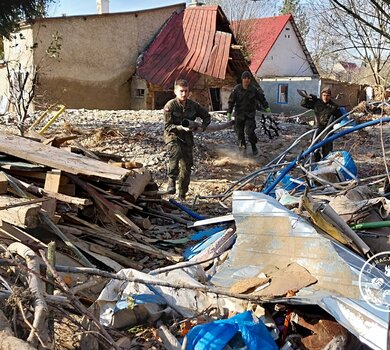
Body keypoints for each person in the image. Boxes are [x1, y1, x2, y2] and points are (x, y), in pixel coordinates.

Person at [163, 79, 211, 200]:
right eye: (181, 91)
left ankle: (182, 194)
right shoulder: (170, 106)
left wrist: (203, 127)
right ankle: (171, 181)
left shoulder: (193, 105)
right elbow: (168, 126)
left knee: (186, 167)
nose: (184, 94)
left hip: (187, 138)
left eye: (186, 91)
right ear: (175, 91)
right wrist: (181, 127)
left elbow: (206, 116)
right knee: (175, 151)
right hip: (172, 135)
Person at [227, 71, 271, 156]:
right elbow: (231, 101)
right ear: (242, 79)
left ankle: (254, 146)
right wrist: (229, 112)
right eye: (245, 78)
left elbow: (262, 98)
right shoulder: (237, 89)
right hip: (239, 115)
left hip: (249, 115)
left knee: (249, 132)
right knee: (239, 133)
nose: (246, 80)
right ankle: (243, 150)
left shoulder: (253, 89)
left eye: (248, 78)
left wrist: (266, 107)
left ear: (250, 80)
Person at [301, 86, 342, 162]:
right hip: (317, 128)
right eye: (324, 95)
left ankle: (325, 162)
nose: (325, 97)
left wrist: (334, 123)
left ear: (330, 96)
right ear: (321, 95)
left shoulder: (334, 106)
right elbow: (303, 104)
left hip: (328, 130)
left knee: (327, 149)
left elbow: (340, 117)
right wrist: (307, 98)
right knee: (314, 147)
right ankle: (317, 160)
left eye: (327, 96)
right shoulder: (317, 102)